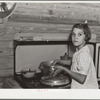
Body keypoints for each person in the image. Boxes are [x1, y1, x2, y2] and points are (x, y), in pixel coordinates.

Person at [51, 23, 99, 89]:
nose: (75, 37)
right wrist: (60, 61)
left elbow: (81, 79)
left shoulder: (83, 54)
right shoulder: (80, 50)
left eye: (79, 34)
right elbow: (75, 62)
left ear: (86, 36)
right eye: (73, 34)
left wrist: (63, 68)